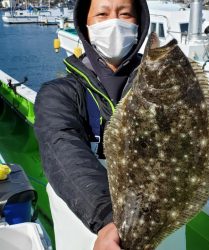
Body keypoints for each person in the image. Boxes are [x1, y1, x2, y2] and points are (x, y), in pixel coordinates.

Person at [34, 0, 150, 249]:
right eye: (102, 14)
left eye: (125, 14)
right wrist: (109, 219)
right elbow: (62, 147)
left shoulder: (160, 92)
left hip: (158, 228)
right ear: (85, 26)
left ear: (140, 24)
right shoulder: (59, 94)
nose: (114, 23)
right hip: (91, 231)